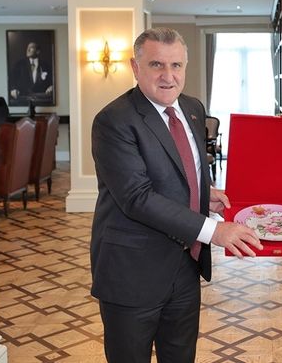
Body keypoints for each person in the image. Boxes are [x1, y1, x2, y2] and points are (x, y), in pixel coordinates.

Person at [90, 28, 262, 362]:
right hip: (132, 272)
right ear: (135, 67)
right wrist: (214, 230)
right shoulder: (114, 121)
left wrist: (204, 194)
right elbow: (137, 197)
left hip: (185, 266)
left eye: (176, 65)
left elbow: (182, 170)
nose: (168, 76)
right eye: (156, 65)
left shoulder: (193, 108)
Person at [8, 41, 54, 105]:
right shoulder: (19, 64)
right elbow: (12, 79)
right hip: (23, 100)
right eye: (27, 48)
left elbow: (52, 81)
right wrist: (13, 89)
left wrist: (52, 87)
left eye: (31, 47)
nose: (28, 49)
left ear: (38, 51)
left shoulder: (45, 65)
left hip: (41, 101)